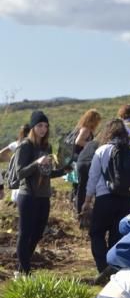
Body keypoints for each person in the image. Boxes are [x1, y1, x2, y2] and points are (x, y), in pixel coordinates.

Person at [82, 119, 130, 282]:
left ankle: (103, 268)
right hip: (127, 201)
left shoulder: (102, 151)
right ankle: (114, 270)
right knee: (117, 237)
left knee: (97, 233)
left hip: (105, 199)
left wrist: (87, 200)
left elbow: (93, 177)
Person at [15, 111, 70, 275]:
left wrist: (63, 171)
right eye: (39, 125)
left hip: (44, 196)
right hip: (28, 196)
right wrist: (36, 163)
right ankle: (25, 271)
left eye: (46, 126)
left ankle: (22, 268)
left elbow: (47, 173)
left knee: (38, 233)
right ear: (33, 127)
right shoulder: (25, 146)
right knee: (25, 233)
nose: (43, 129)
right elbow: (19, 173)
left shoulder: (47, 147)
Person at [0, 123, 31, 203]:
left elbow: (1, 153)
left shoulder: (16, 144)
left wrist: (11, 160)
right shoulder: (33, 145)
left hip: (18, 178)